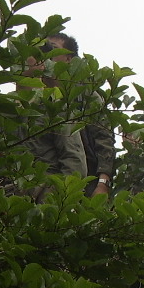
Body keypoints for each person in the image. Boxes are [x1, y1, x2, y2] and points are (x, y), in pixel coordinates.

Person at [17, 37, 87, 201]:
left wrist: (51, 200)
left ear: (41, 65)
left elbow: (74, 163)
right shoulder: (0, 109)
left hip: (43, 198)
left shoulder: (54, 107)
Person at [47, 33, 116, 197]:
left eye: (53, 49)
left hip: (86, 180)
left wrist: (103, 183)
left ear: (69, 59)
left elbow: (104, 138)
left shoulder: (85, 94)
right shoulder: (38, 93)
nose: (47, 54)